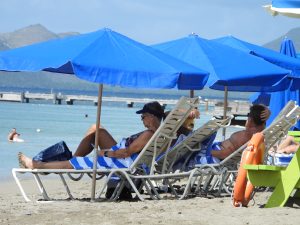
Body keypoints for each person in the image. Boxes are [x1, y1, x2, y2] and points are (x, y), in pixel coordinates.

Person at [18, 101, 165, 171]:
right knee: (97, 130)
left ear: (151, 117)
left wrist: (105, 152)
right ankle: (64, 161)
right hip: (124, 156)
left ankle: (36, 165)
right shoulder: (160, 133)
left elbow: (126, 152)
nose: (142, 120)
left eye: (143, 117)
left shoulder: (148, 134)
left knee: (76, 163)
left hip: (120, 161)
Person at [193, 104, 270, 165]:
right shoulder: (258, 131)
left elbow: (225, 154)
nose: (247, 119)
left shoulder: (245, 137)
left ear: (250, 120)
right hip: (215, 150)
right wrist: (267, 110)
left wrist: (206, 151)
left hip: (213, 155)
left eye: (248, 116)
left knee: (193, 147)